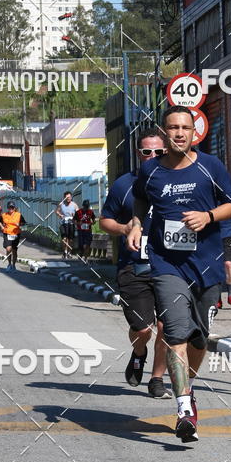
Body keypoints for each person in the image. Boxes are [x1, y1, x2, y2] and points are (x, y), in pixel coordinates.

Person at [127, 107, 231, 443]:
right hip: (166, 265)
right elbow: (138, 199)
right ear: (164, 133)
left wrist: (208, 216)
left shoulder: (211, 166)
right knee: (175, 332)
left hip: (206, 265)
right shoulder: (150, 170)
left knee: (200, 338)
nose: (179, 133)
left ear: (195, 133)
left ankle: (187, 386)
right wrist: (135, 224)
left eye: (185, 128)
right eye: (172, 128)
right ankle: (183, 408)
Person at [100, 128, 172, 399]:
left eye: (158, 151)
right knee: (143, 328)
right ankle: (139, 351)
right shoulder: (124, 184)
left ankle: (156, 380)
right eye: (146, 152)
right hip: (134, 266)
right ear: (138, 154)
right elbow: (104, 220)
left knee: (167, 327)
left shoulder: (177, 182)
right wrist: (124, 227)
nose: (152, 156)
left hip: (169, 265)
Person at [0, 201, 27, 270]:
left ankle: (13, 265)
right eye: (9, 207)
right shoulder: (4, 215)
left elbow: (24, 223)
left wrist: (19, 225)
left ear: (14, 208)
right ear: (7, 208)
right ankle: (9, 264)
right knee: (8, 249)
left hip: (16, 234)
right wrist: (2, 227)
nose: (11, 209)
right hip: (7, 233)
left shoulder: (18, 215)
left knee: (14, 250)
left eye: (12, 207)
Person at [56, 191, 78, 259]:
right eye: (66, 197)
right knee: (64, 238)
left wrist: (75, 215)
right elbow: (57, 211)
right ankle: (65, 251)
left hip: (71, 223)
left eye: (69, 197)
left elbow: (78, 213)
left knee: (70, 239)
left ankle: (69, 252)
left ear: (71, 197)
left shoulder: (74, 205)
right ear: (64, 198)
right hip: (63, 223)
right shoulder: (61, 204)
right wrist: (60, 215)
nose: (68, 199)